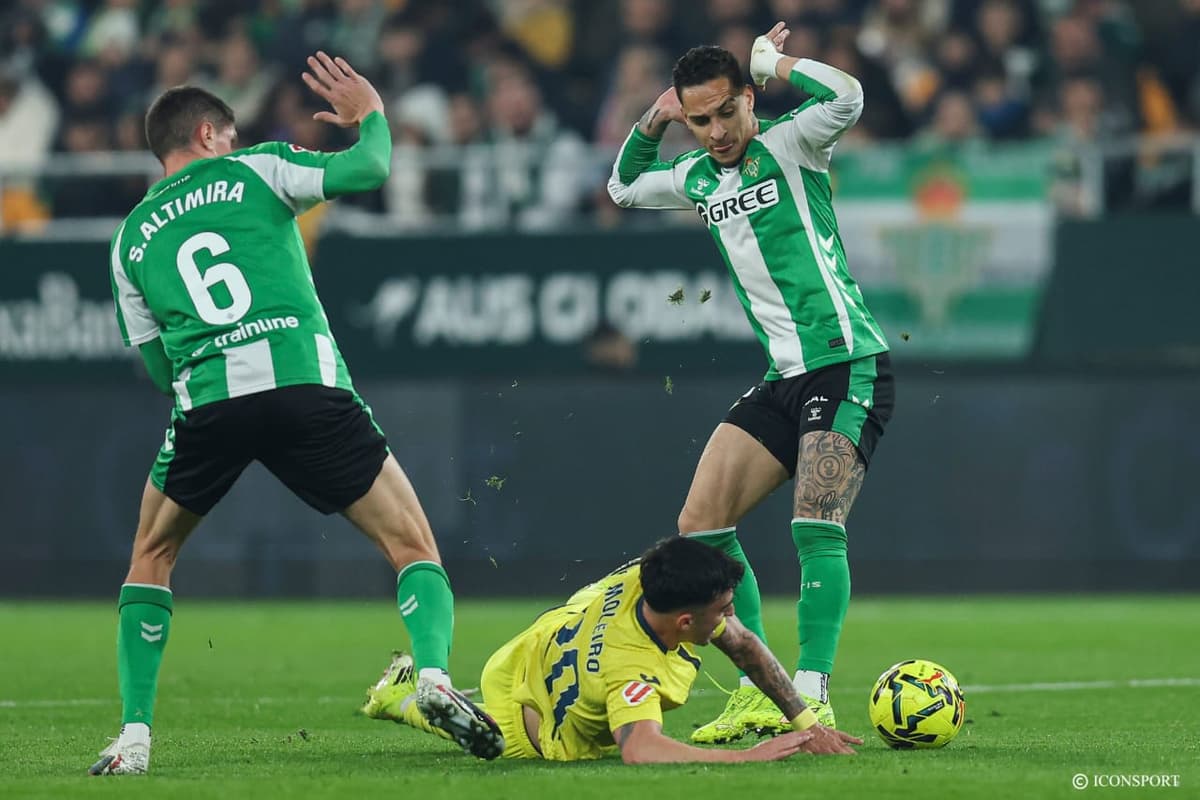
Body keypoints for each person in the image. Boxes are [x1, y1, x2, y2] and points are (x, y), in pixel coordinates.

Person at [92, 52, 502, 776]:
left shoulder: (130, 240)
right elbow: (368, 169)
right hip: (305, 387)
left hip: (209, 402)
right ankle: (433, 678)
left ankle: (132, 740)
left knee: (151, 558)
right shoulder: (255, 168)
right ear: (215, 133)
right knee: (412, 545)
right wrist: (371, 110)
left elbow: (157, 368)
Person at [606, 23, 895, 744]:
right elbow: (622, 187)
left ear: (747, 99)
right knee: (700, 524)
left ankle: (813, 690)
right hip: (783, 377)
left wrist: (775, 60)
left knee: (814, 521)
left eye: (724, 112)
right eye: (698, 120)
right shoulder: (698, 177)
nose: (714, 131)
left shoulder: (793, 144)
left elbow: (850, 95)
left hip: (846, 361)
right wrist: (655, 119)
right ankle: (759, 688)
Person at [361, 537, 862, 762]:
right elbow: (641, 749)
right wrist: (749, 757)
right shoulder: (632, 674)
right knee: (481, 731)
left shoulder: (648, 577)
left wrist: (807, 725)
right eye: (725, 608)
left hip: (532, 647)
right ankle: (397, 697)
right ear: (685, 621)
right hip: (528, 725)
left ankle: (429, 695)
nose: (732, 618)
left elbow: (744, 647)